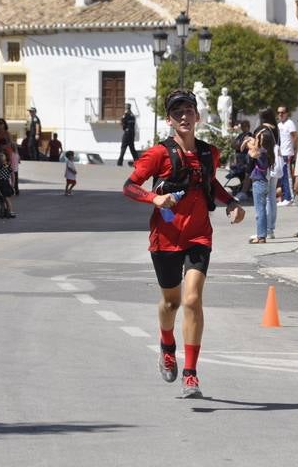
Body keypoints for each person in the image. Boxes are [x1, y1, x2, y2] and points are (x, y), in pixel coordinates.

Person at [122, 89, 245, 398]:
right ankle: (166, 344)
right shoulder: (158, 155)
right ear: (169, 120)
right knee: (171, 303)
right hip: (165, 239)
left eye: (188, 111)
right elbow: (129, 186)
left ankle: (190, 373)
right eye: (177, 112)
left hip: (198, 236)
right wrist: (155, 197)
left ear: (197, 116)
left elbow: (210, 183)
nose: (184, 116)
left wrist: (230, 202)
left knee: (192, 300)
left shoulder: (209, 153)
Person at [242, 108, 278, 244]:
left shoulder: (261, 152)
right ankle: (264, 233)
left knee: (260, 209)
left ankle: (261, 236)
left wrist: (248, 144)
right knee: (267, 203)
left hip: (260, 179)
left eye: (258, 139)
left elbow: (253, 153)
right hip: (267, 177)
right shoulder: (271, 139)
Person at [276, 105, 298, 206]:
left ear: (287, 113)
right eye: (279, 112)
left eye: (282, 112)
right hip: (281, 154)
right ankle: (285, 197)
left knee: (287, 176)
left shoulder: (290, 123)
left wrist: (293, 151)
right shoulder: (279, 125)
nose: (280, 114)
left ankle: (289, 198)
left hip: (287, 153)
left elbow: (295, 137)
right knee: (282, 176)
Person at [0, 152, 17, 217]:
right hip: (1, 183)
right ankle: (3, 212)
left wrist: (13, 184)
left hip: (4, 183)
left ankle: (9, 211)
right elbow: (12, 175)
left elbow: (12, 175)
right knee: (2, 199)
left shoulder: (6, 167)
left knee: (6, 199)